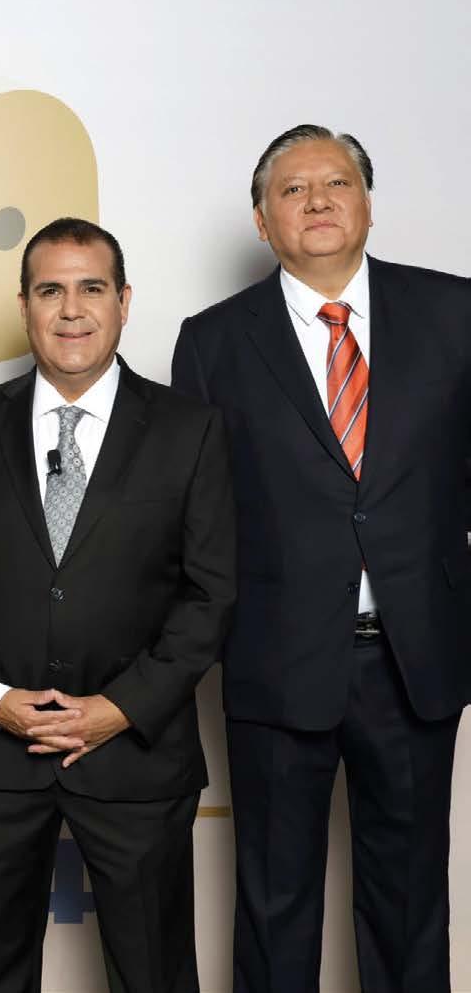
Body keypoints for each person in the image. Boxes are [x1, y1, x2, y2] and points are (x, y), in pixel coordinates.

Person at [172, 124, 471, 992]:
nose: (317, 201)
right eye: (292, 189)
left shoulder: (454, 313)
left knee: (410, 901)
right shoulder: (213, 341)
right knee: (274, 905)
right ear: (262, 221)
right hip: (275, 661)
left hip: (414, 658)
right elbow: (198, 516)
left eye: (336, 183)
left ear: (367, 203)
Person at [0, 218, 236, 993]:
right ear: (24, 306)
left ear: (123, 302)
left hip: (137, 756)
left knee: (155, 974)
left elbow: (211, 594)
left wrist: (119, 708)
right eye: (50, 290)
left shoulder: (189, 430)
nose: (71, 309)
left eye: (91, 288)